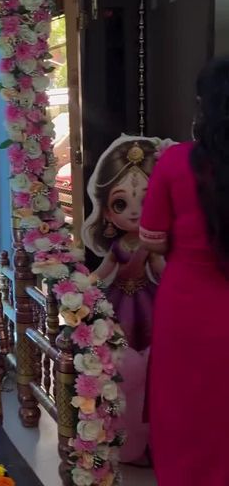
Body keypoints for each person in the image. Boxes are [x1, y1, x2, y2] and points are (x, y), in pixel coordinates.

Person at [140, 57, 229, 485]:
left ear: (202, 105)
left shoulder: (175, 162)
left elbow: (152, 239)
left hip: (187, 304)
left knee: (184, 404)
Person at [82, 135, 167, 463]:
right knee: (119, 372)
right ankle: (123, 436)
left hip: (149, 302)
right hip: (118, 303)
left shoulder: (149, 246)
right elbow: (102, 272)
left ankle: (151, 437)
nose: (134, 212)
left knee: (152, 371)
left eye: (146, 201)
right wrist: (80, 285)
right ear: (106, 211)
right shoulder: (119, 247)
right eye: (121, 204)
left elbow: (161, 271)